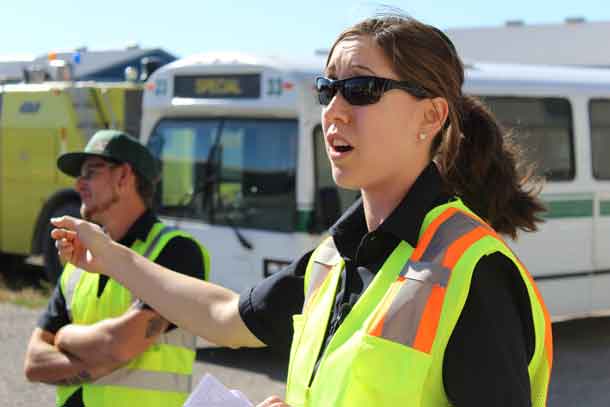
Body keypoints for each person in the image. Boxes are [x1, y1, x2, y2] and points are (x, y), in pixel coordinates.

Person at [50, 14, 553, 407]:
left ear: (431, 115)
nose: (333, 110)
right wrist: (111, 256)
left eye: (361, 90)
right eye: (327, 89)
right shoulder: (333, 258)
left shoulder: (476, 272)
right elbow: (225, 317)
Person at [24, 130, 209, 407]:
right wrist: (100, 361)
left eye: (90, 172)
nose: (78, 184)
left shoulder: (177, 251)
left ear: (123, 176)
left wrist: (65, 336)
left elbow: (121, 344)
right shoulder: (79, 258)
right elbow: (34, 362)